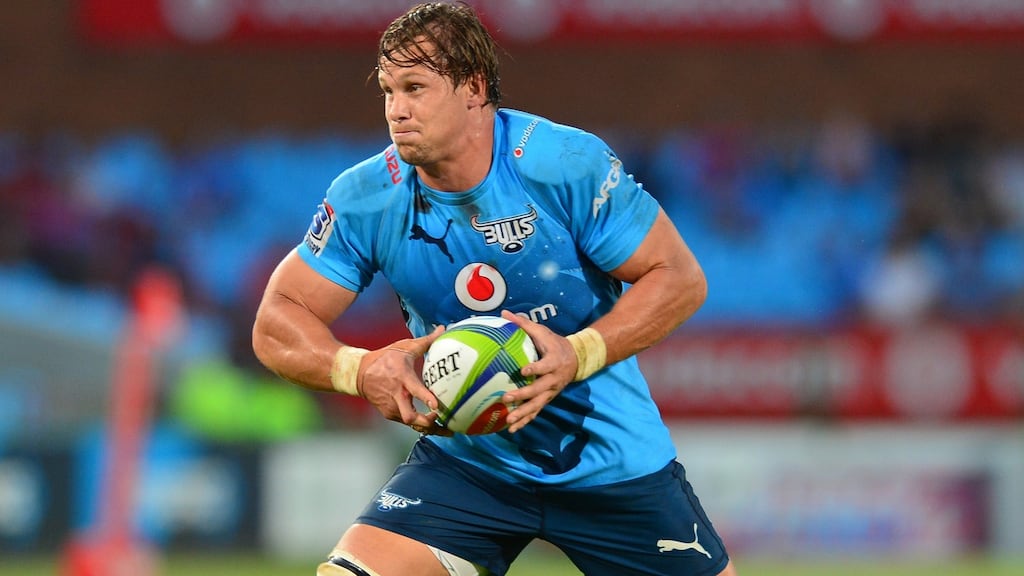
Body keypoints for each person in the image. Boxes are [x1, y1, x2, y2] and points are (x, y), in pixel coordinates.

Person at [251, 3, 737, 575]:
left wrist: (577, 353)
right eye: (388, 91)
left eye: (415, 87)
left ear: (473, 88)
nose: (396, 111)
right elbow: (277, 320)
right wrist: (357, 369)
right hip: (469, 468)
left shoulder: (563, 164)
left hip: (612, 466)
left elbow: (679, 278)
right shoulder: (367, 197)